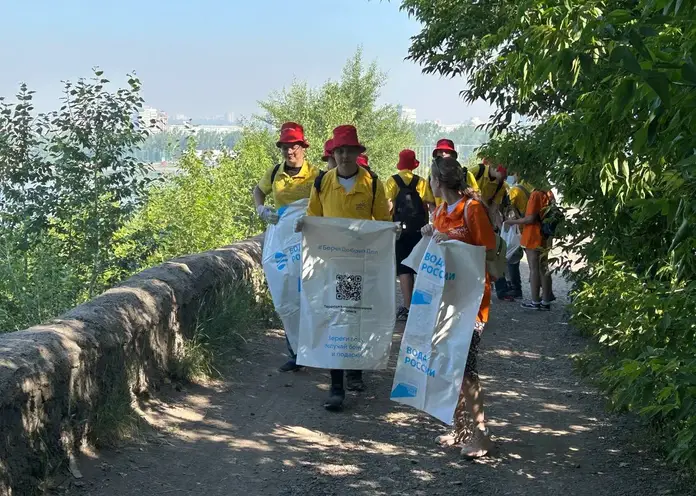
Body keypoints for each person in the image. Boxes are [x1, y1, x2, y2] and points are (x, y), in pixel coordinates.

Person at [296, 124, 392, 411]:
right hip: (331, 266)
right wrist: (306, 225)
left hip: (360, 265)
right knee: (335, 319)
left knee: (354, 319)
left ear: (357, 153)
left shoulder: (373, 183)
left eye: (350, 150)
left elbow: (383, 223)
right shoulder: (322, 183)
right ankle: (336, 385)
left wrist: (387, 236)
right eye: (340, 151)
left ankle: (356, 369)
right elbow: (314, 216)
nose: (345, 156)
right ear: (333, 154)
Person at [423, 155, 495, 458]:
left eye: (431, 179)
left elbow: (488, 250)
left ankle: (482, 434)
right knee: (450, 365)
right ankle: (461, 429)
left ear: (437, 182)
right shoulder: (440, 211)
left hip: (472, 302)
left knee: (466, 369)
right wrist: (432, 235)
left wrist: (450, 239)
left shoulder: (472, 209)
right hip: (445, 302)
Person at [252, 122, 320, 372]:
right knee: (287, 292)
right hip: (283, 241)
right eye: (285, 147)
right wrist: (261, 208)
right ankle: (295, 352)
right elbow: (258, 191)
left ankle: (317, 349)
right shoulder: (274, 173)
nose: (289, 152)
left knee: (312, 293)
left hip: (309, 239)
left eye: (294, 147)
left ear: (303, 147)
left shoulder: (316, 175)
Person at [384, 149, 435, 320]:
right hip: (420, 231)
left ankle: (408, 306)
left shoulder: (392, 181)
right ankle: (423, 306)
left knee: (404, 268)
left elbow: (388, 206)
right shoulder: (421, 182)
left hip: (400, 231)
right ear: (414, 164)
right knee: (420, 268)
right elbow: (429, 205)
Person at [504, 188, 555, 310]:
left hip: (533, 234)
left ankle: (535, 301)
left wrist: (511, 221)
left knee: (534, 268)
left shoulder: (536, 194)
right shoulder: (548, 193)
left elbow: (530, 219)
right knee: (544, 267)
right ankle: (546, 301)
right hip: (545, 234)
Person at [504, 172, 535, 299]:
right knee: (538, 264)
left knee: (512, 258)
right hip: (539, 230)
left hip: (521, 229)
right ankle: (546, 294)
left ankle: (516, 288)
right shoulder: (537, 187)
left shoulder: (515, 190)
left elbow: (508, 210)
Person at [429, 139, 478, 207]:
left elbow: (476, 197)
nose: (443, 154)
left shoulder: (466, 175)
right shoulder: (433, 175)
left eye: (447, 151)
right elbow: (430, 202)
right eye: (440, 151)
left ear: (453, 155)